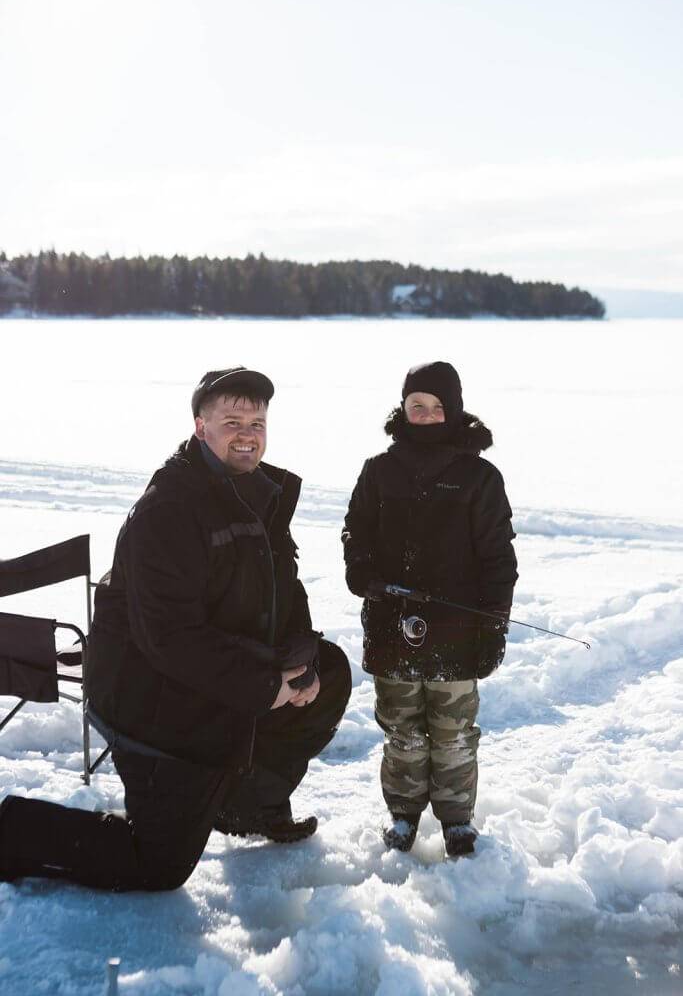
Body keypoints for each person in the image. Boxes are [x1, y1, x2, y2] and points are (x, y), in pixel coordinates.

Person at [0, 367, 351, 891]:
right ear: (199, 426)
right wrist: (262, 687)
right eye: (232, 420)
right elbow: (171, 640)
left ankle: (242, 809)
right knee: (157, 865)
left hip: (212, 675)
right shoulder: (169, 509)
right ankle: (14, 830)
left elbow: (287, 594)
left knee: (332, 672)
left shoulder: (260, 497)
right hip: (152, 697)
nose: (248, 434)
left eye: (257, 421)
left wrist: (302, 664)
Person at [342, 361, 517, 857]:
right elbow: (355, 530)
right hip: (391, 625)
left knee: (453, 733)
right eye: (416, 405)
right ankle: (403, 815)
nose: (424, 415)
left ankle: (457, 819)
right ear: (404, 408)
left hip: (459, 632)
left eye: (435, 406)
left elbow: (499, 560)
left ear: (453, 409)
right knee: (402, 732)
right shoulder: (379, 470)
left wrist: (493, 627)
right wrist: (362, 573)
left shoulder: (479, 477)